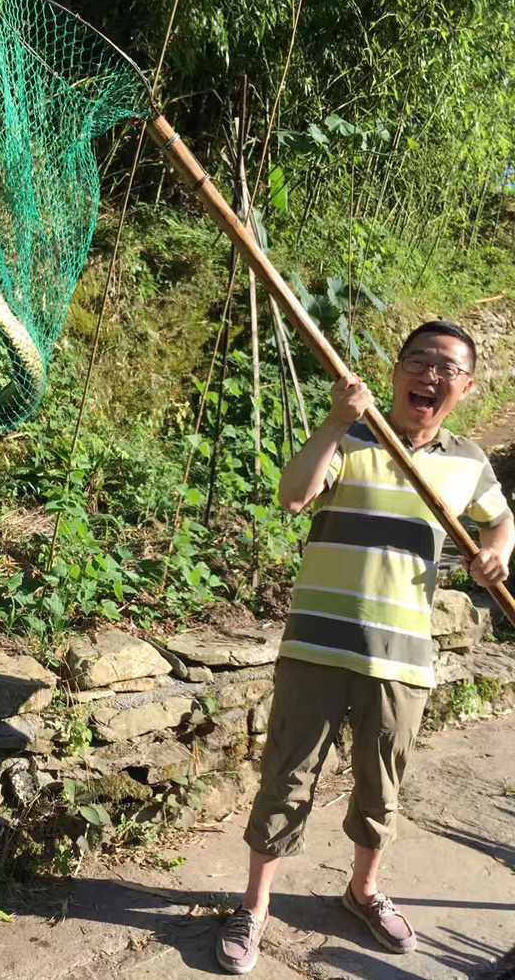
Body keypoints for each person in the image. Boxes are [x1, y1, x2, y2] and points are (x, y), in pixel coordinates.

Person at [216, 320, 515, 974]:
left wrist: (497, 552)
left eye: (447, 367)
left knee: (382, 790)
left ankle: (363, 892)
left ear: (463, 388)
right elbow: (293, 496)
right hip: (317, 646)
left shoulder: (468, 460)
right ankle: (255, 907)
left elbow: (500, 517)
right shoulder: (352, 435)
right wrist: (331, 424)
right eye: (419, 360)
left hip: (401, 655)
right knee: (285, 780)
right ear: (396, 370)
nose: (430, 374)